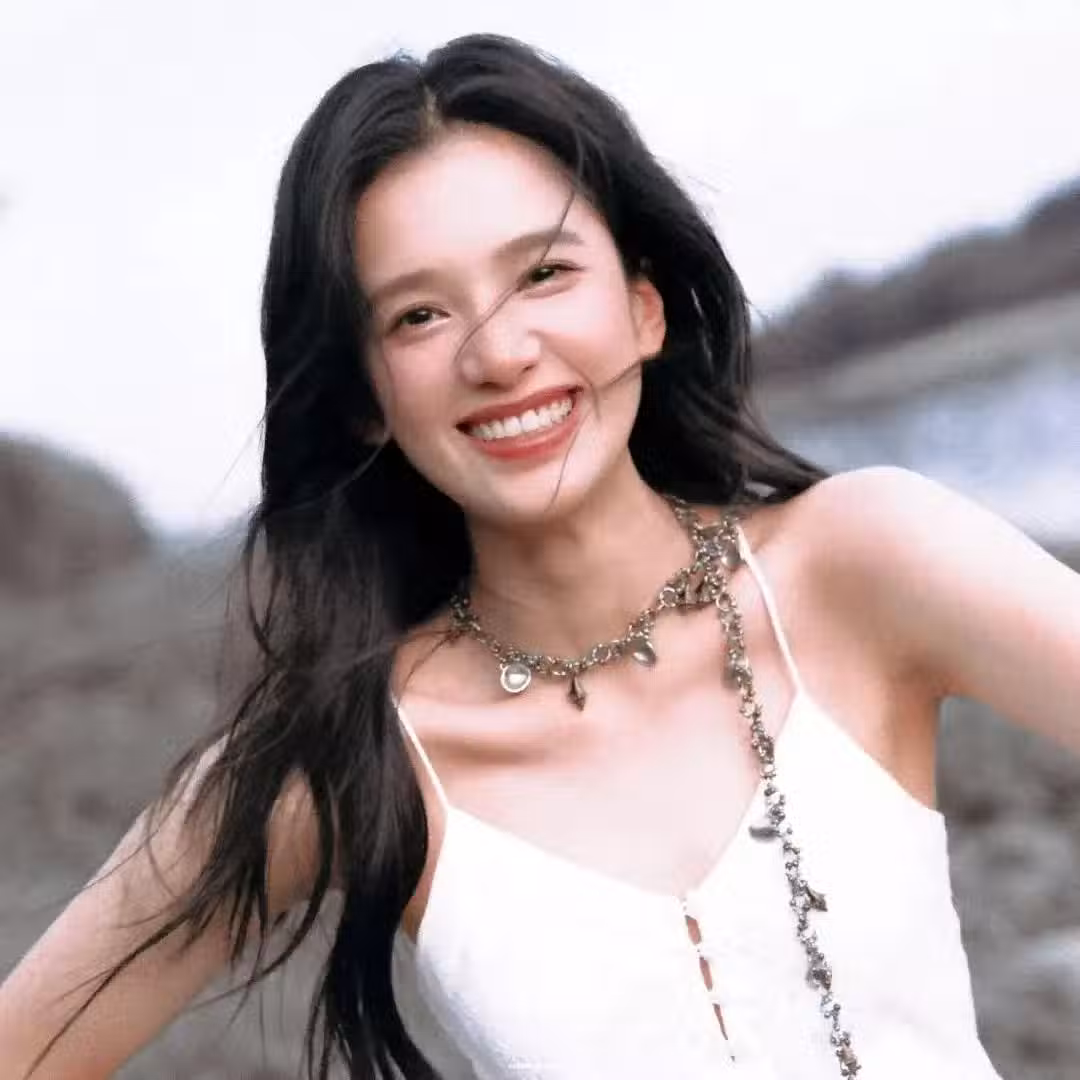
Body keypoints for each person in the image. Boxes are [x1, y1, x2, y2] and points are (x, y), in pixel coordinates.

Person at [1, 31, 1077, 1080]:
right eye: (419, 316)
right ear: (365, 399)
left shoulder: (863, 562)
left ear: (644, 307)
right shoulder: (355, 754)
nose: (502, 352)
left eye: (545, 273)